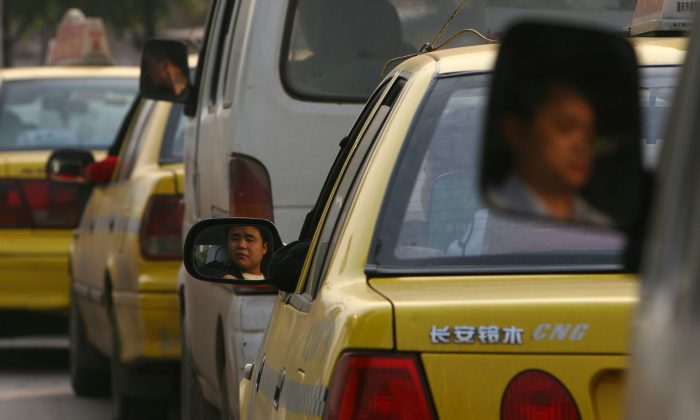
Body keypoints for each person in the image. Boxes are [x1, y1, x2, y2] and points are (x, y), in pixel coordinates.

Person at [488, 81, 611, 225]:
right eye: (565, 127)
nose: (582, 147)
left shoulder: (600, 224)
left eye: (589, 137)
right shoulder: (491, 218)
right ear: (517, 132)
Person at [204, 225, 270, 280]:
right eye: (235, 239)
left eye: (249, 240)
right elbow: (203, 270)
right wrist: (224, 277)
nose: (241, 245)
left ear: (264, 248)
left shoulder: (273, 277)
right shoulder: (218, 270)